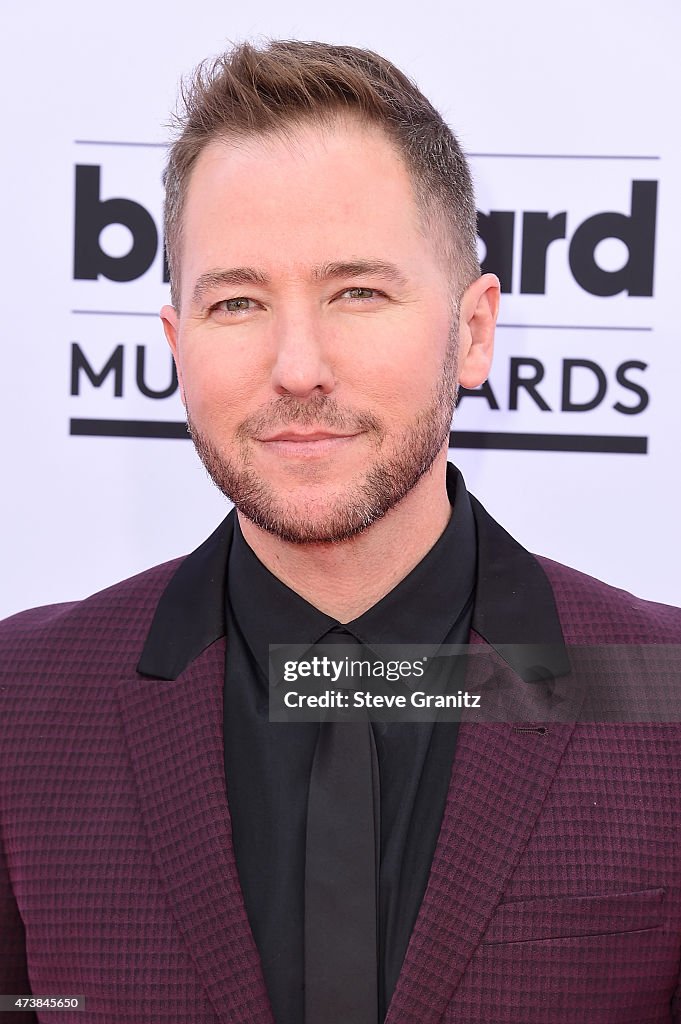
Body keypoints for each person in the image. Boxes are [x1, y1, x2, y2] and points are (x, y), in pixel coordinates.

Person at [1, 39, 681, 1024]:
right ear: (176, 345)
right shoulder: (22, 705)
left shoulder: (664, 697)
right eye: (237, 301)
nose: (297, 366)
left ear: (476, 330)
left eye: (357, 291)